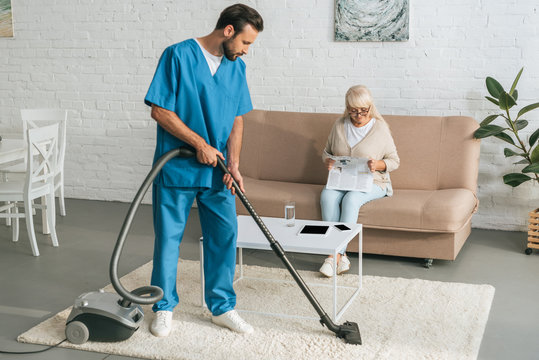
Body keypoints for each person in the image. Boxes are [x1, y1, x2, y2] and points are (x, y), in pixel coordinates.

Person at [143, 4, 264, 337]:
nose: (246, 50)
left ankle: (222, 307)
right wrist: (199, 143)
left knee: (224, 237)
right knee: (169, 240)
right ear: (228, 31)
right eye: (246, 43)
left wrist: (234, 164)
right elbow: (160, 111)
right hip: (177, 167)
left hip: (218, 172)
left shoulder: (235, 67)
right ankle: (164, 306)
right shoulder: (178, 56)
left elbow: (237, 118)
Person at [319, 85, 399, 277]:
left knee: (351, 200)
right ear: (347, 108)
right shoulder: (339, 125)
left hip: (374, 183)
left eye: (364, 110)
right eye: (353, 111)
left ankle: (333, 256)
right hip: (341, 181)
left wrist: (378, 164)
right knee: (327, 196)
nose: (359, 115)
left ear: (370, 107)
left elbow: (394, 161)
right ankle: (342, 255)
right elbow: (326, 152)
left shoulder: (380, 128)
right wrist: (328, 161)